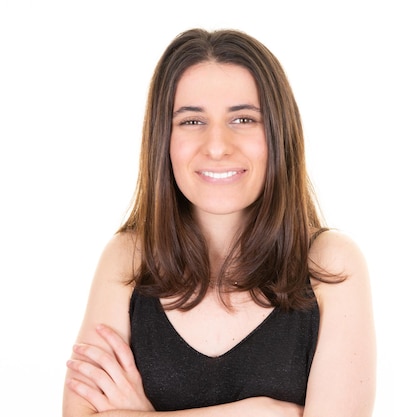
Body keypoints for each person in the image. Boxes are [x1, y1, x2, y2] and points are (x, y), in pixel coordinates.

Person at [62, 27, 376, 416]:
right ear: (164, 139)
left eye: (243, 119)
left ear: (279, 134)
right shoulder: (128, 259)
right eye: (192, 121)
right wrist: (262, 412)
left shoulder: (330, 264)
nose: (216, 146)